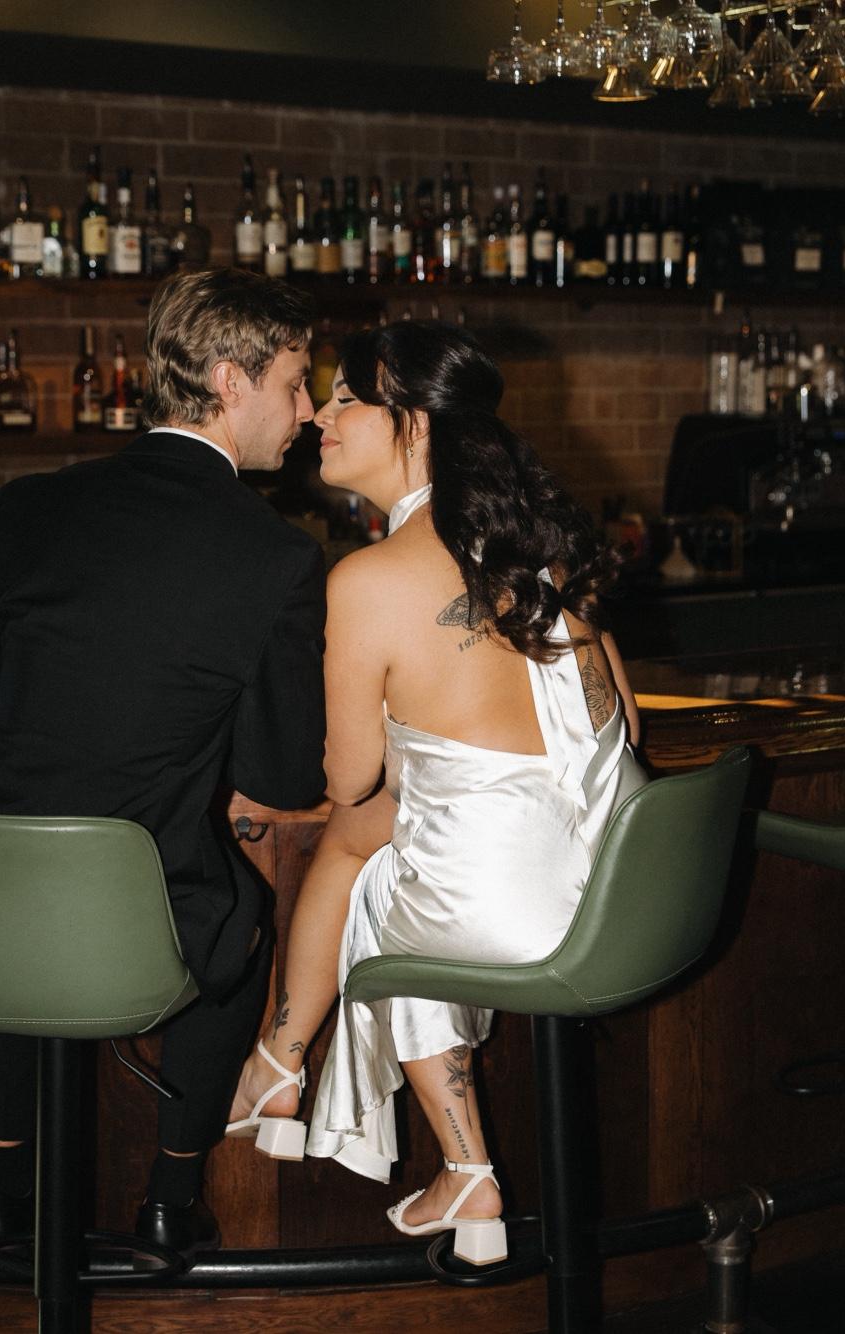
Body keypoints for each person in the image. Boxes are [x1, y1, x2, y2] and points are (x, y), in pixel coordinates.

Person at [0, 267, 326, 1259]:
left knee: (19, 901)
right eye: (295, 383)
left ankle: (1, 1190)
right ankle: (169, 1198)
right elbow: (281, 779)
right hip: (129, 904)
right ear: (230, 381)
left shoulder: (31, 505)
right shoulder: (274, 555)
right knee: (240, 916)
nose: (308, 412)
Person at [227, 321, 646, 1265]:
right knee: (382, 843)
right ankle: (303, 1081)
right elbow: (621, 723)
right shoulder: (537, 554)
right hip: (629, 887)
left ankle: (308, 1079)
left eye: (345, 398)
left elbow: (345, 778)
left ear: (413, 422)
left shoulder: (370, 578)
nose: (319, 416)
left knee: (377, 867)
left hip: (526, 909)